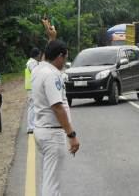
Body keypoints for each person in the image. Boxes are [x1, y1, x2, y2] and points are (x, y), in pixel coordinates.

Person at [32, 40, 80, 196]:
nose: (65, 61)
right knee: (52, 185)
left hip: (41, 129)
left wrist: (51, 38)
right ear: (59, 56)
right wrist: (71, 135)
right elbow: (57, 106)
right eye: (65, 57)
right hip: (52, 134)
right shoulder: (52, 75)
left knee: (49, 178)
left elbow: (47, 53)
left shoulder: (39, 69)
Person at [25, 47, 41, 134]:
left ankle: (32, 125)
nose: (40, 56)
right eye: (39, 54)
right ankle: (31, 127)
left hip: (31, 87)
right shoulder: (32, 63)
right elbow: (35, 73)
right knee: (32, 107)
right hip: (32, 87)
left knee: (33, 107)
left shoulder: (31, 62)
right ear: (37, 54)